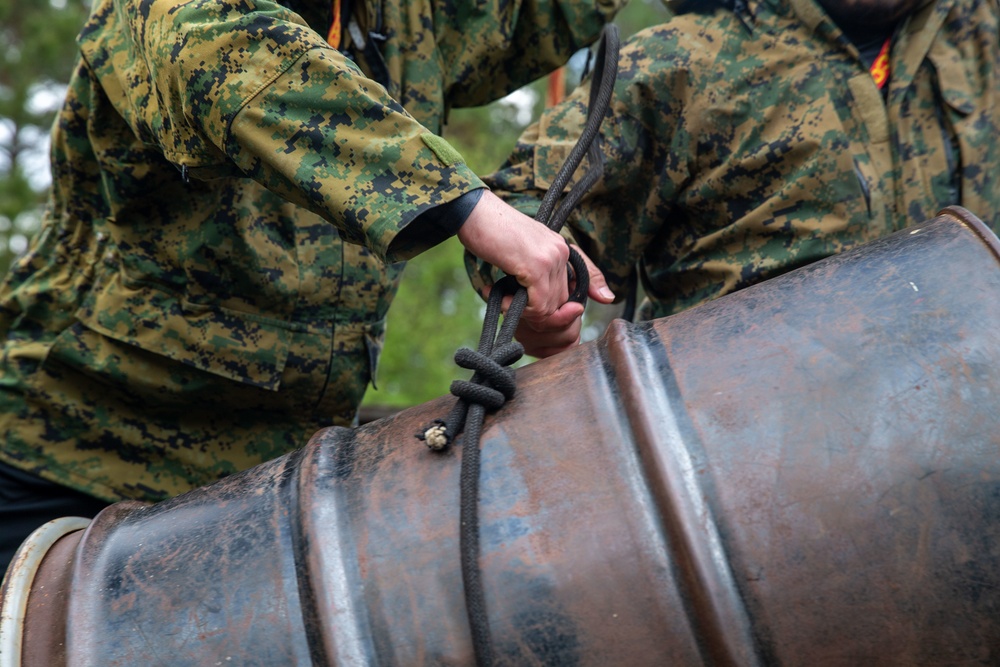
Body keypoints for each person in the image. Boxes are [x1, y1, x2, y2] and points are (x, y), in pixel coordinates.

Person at [0, 0, 621, 570]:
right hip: (67, 464)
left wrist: (517, 279)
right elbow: (218, 50)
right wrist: (466, 208)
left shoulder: (403, 19)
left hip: (265, 487)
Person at [476, 0, 999, 356]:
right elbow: (525, 208)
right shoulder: (686, 61)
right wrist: (542, 291)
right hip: (759, 447)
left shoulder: (979, 35)